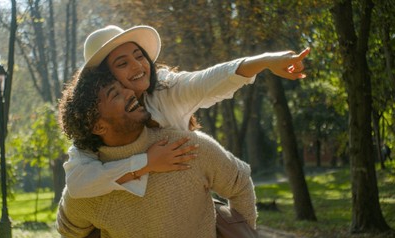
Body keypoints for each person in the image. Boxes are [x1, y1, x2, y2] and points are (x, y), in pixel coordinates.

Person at [64, 24, 310, 199]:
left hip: (188, 207)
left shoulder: (166, 88)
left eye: (139, 56)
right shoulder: (95, 123)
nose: (138, 65)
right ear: (106, 77)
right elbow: (78, 183)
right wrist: (146, 163)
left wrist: (265, 60)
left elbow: (208, 80)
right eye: (122, 63)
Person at [56, 68, 257, 238]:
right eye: (114, 94)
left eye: (122, 87)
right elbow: (70, 232)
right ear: (98, 126)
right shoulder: (89, 187)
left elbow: (239, 183)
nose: (129, 92)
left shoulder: (184, 147)